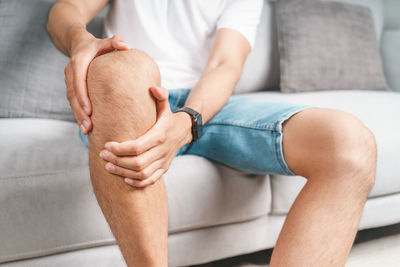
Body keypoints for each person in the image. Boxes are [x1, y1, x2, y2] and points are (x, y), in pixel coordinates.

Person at [47, 0, 377, 266]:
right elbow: (66, 10)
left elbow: (225, 64)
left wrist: (187, 121)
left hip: (206, 104)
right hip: (131, 98)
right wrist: (82, 42)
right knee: (120, 67)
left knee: (350, 144)